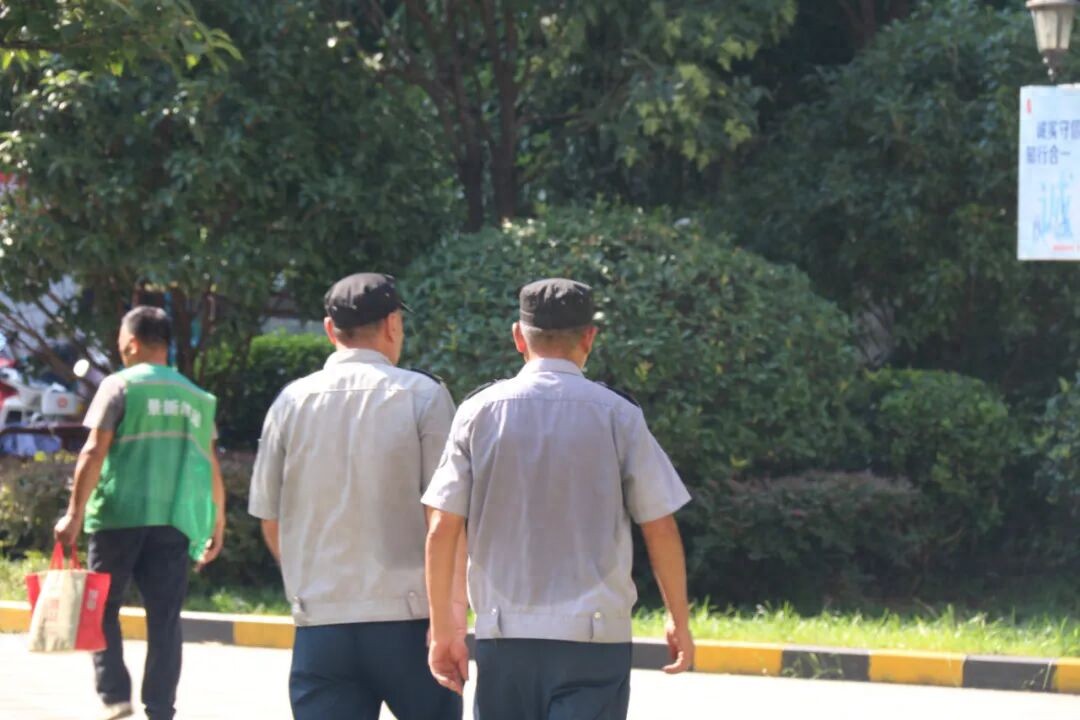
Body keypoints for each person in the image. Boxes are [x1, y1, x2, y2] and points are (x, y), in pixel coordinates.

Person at [423, 278, 695, 720]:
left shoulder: (477, 412)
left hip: (503, 637)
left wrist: (443, 631)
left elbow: (442, 528)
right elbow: (659, 525)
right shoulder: (619, 414)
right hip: (595, 640)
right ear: (589, 337)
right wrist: (678, 619)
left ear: (518, 337)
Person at [248, 272, 465, 720]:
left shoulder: (289, 402)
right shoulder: (424, 396)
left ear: (330, 329)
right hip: (410, 621)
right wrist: (451, 618)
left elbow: (269, 517)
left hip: (321, 624)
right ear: (392, 324)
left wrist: (310, 582)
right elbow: (446, 517)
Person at [54, 306, 225, 720]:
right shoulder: (197, 398)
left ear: (131, 342)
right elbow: (211, 463)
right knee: (164, 619)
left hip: (118, 516)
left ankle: (115, 694)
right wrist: (216, 520)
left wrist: (73, 514)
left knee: (101, 608)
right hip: (174, 520)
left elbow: (93, 451)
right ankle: (161, 708)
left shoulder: (119, 386)